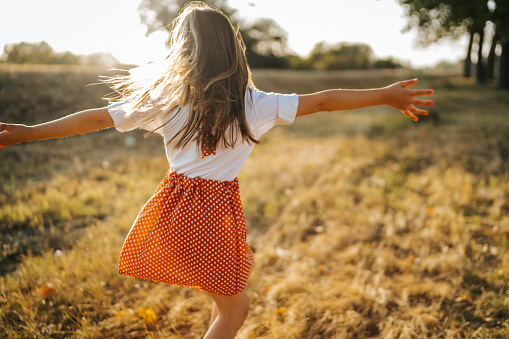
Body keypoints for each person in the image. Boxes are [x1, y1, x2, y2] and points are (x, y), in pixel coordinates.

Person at [0, 2, 434, 338]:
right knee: (235, 309)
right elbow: (321, 100)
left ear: (184, 51)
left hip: (175, 210)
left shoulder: (166, 102)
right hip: (212, 215)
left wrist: (26, 132)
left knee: (225, 299)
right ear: (233, 48)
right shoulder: (256, 104)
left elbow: (95, 118)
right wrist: (385, 94)